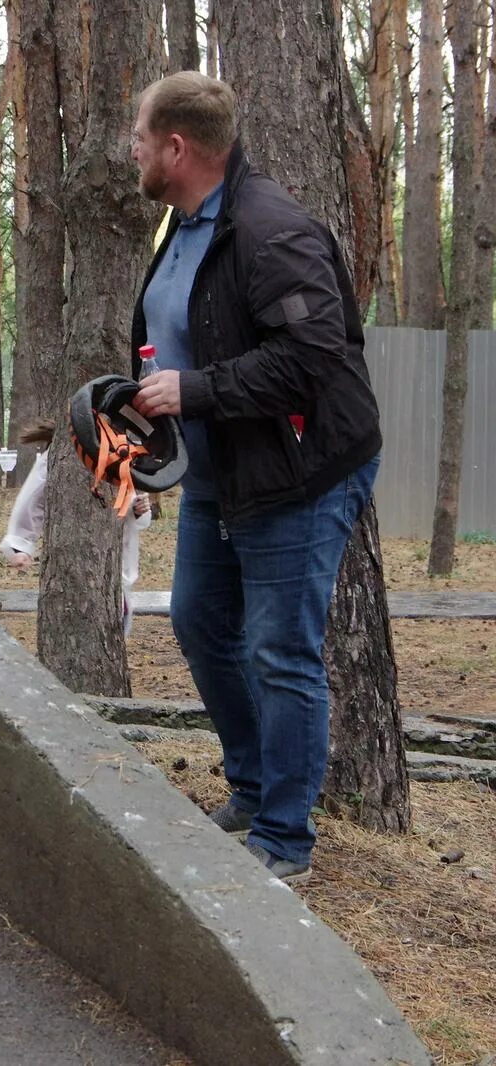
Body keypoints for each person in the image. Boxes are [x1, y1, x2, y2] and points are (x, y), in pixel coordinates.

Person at [127, 72, 382, 884]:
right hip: (221, 468)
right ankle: (250, 786)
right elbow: (187, 336)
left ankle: (284, 838)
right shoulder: (188, 223)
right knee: (202, 621)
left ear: (176, 147)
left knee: (281, 651)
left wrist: (195, 391)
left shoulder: (272, 230)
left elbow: (314, 358)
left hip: (297, 475)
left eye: (139, 136)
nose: (130, 149)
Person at [0, 418, 153, 636]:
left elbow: (132, 502)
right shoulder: (62, 453)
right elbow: (33, 498)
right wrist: (21, 543)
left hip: (114, 567)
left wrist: (139, 510)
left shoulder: (121, 453)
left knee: (115, 626)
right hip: (74, 559)